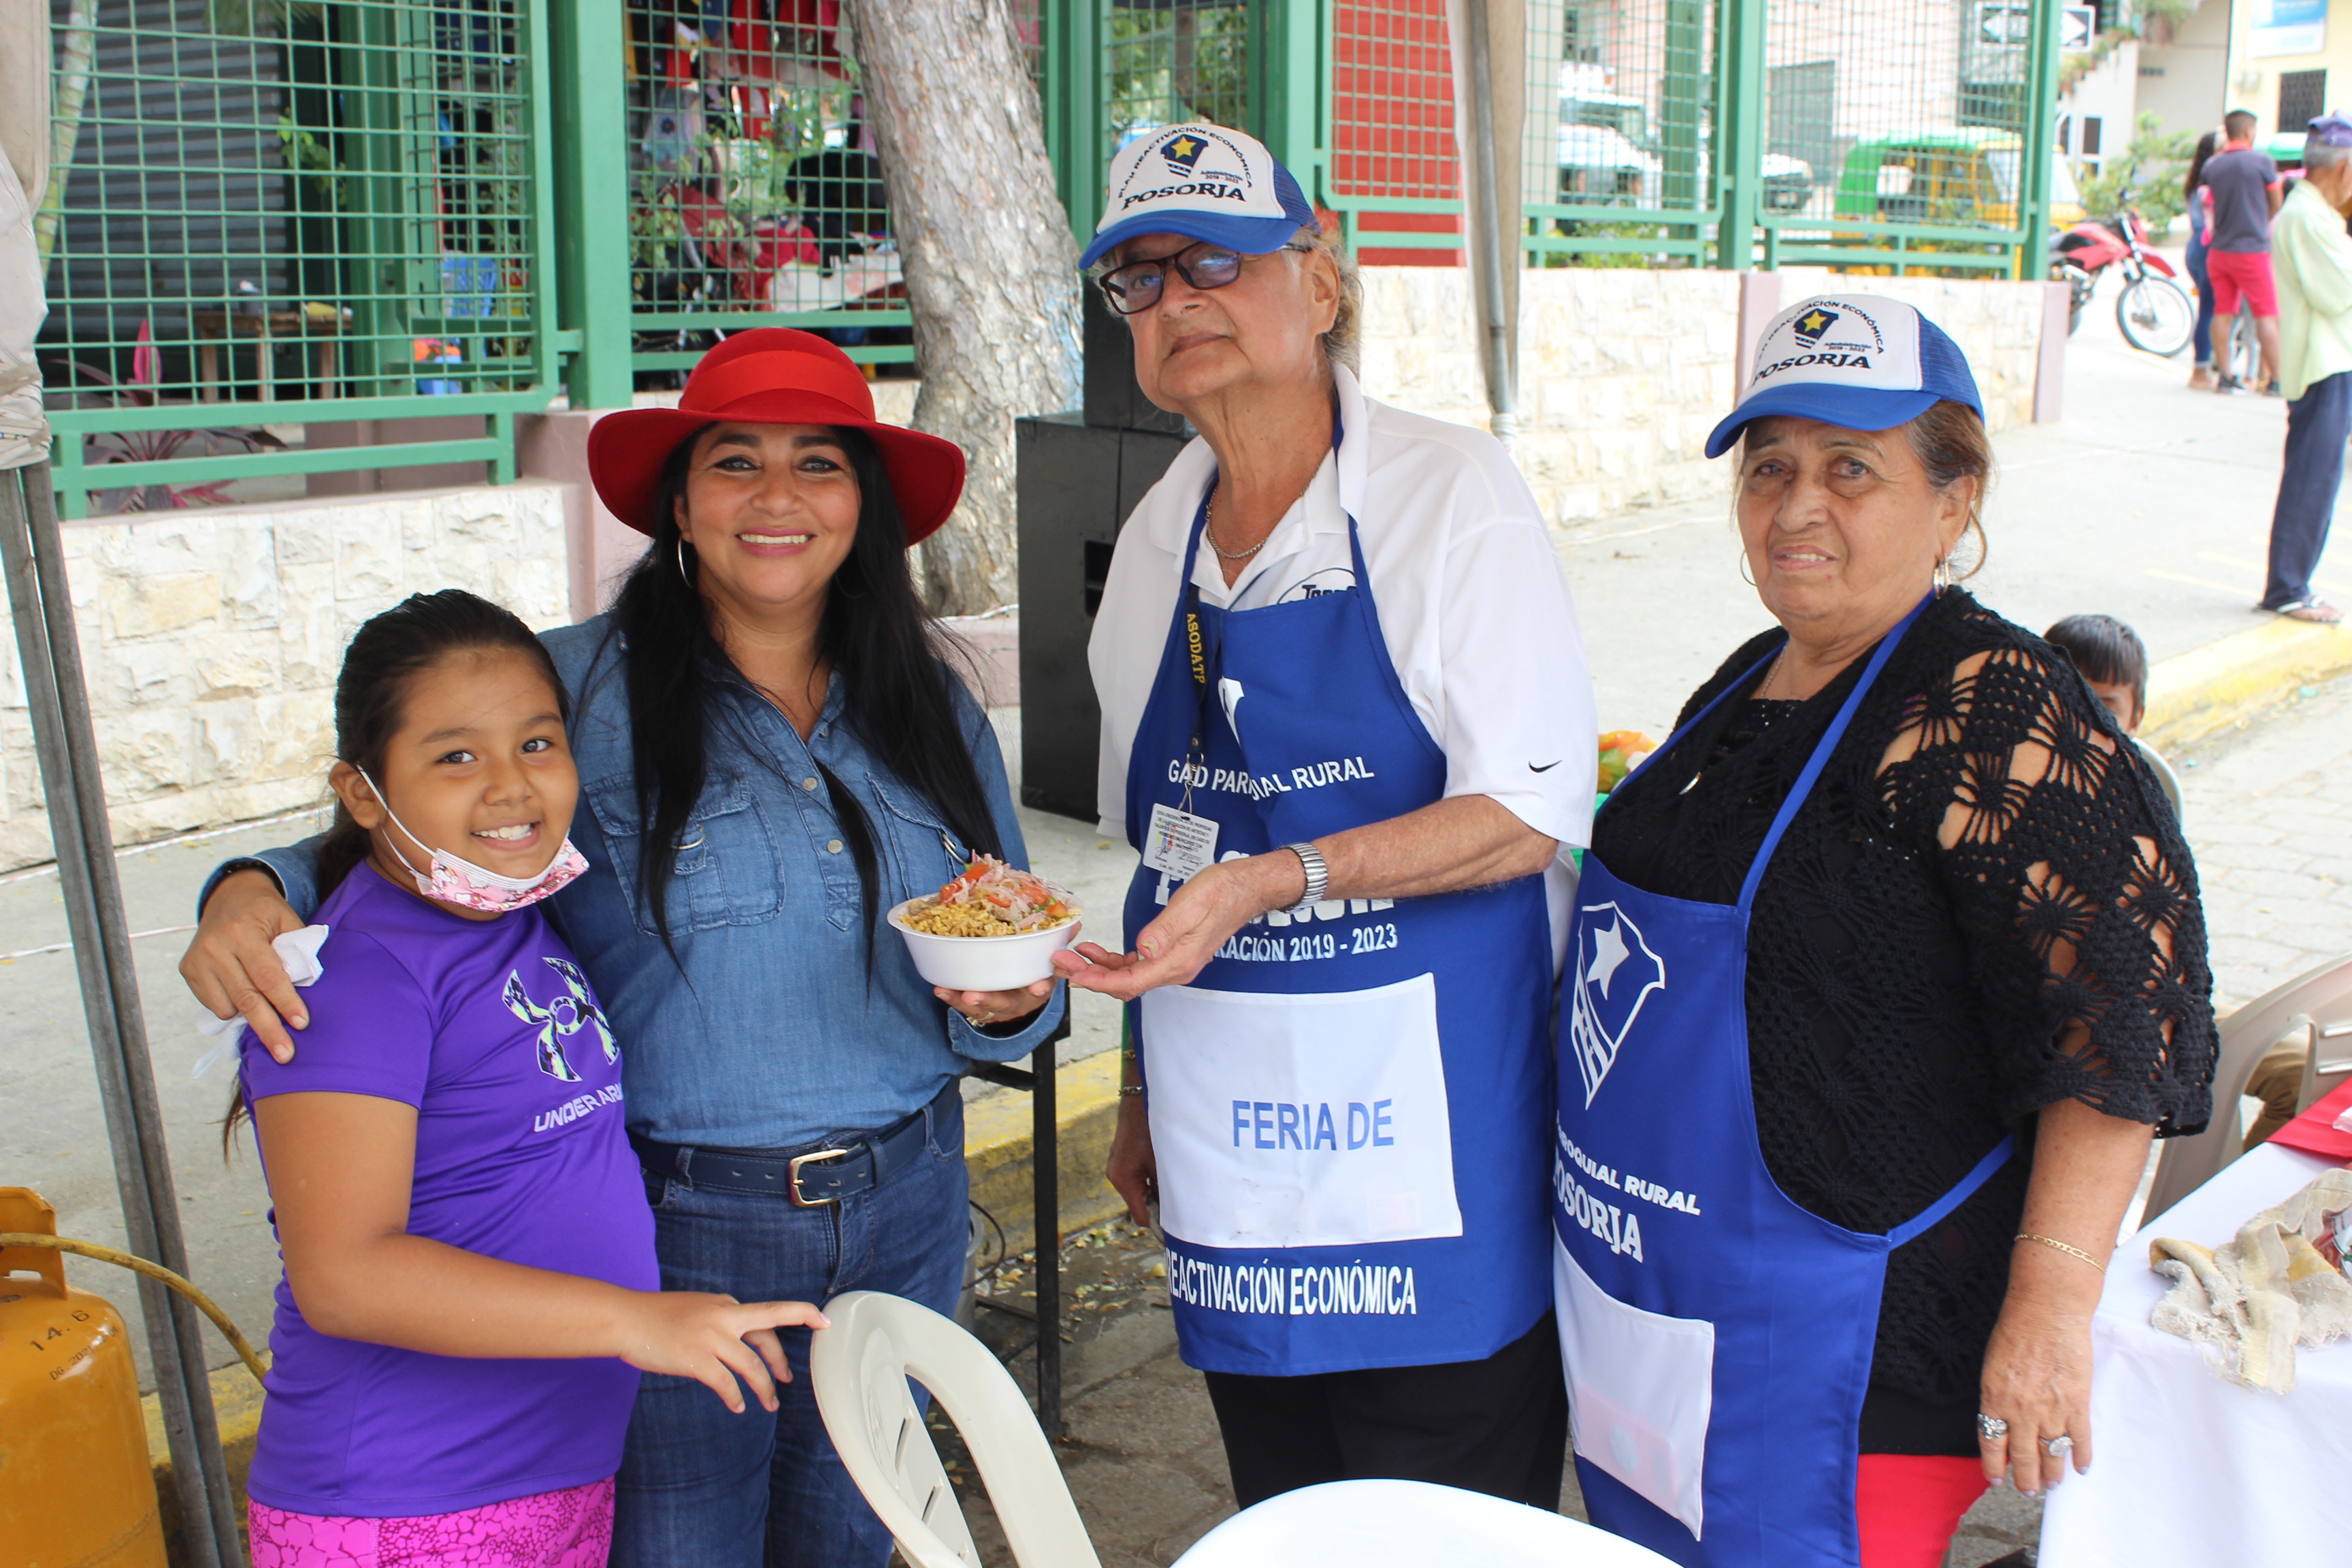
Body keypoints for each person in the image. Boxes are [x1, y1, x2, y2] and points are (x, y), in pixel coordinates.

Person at [180, 331, 1066, 1568]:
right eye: (734, 461)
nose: (777, 496)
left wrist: (1015, 1001)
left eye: (819, 463)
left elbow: (1006, 919)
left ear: (861, 504)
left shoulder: (929, 696)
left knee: (855, 1536)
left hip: (911, 1200)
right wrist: (248, 889)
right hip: (679, 1225)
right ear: (680, 505)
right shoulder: (574, 691)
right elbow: (412, 815)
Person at [1554, 295, 2215, 1568]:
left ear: (1954, 502)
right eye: (1770, 469)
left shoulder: (1994, 708)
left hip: (1848, 1345)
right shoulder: (1747, 677)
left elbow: (2122, 1023)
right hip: (1655, 1307)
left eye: (1850, 469)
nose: (1796, 507)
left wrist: (2049, 1303)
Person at [1051, 122, 1599, 1511]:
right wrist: (1139, 1094)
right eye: (1140, 279)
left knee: (1444, 1522)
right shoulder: (1154, 540)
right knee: (1285, 1507)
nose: (1177, 301)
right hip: (1232, 1145)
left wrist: (1274, 877)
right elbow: (1164, 848)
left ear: (1320, 274)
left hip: (1435, 1145)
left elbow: (1524, 815)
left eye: (1213, 262)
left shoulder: (1450, 495)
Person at [232, 589, 825, 1568]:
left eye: (537, 744)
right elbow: (344, 1276)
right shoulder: (359, 976)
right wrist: (635, 1320)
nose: (511, 786)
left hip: (545, 1478)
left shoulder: (506, 915)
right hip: (408, 1504)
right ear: (363, 794)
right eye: (456, 757)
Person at [2259, 110, 2352, 625]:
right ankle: (2288, 588)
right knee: (2311, 481)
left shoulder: (2317, 214)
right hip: (2323, 364)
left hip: (2330, 361)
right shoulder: (2309, 218)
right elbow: (2339, 292)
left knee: (2319, 478)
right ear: (2344, 168)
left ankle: (2293, 584)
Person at [2200, 109, 2285, 395]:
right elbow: (2276, 201)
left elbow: (2206, 202)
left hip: (2219, 251)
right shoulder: (2263, 161)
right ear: (2248, 132)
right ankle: (2277, 380)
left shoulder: (2212, 166)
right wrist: (2262, 222)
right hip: (2252, 251)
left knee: (2223, 312)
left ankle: (2225, 376)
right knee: (2266, 314)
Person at [2184, 130, 2220, 390]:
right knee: (2211, 310)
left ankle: (2206, 366)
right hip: (2208, 247)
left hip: (2194, 247)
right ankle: (2201, 370)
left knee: (2208, 309)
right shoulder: (2211, 183)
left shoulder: (2194, 183)